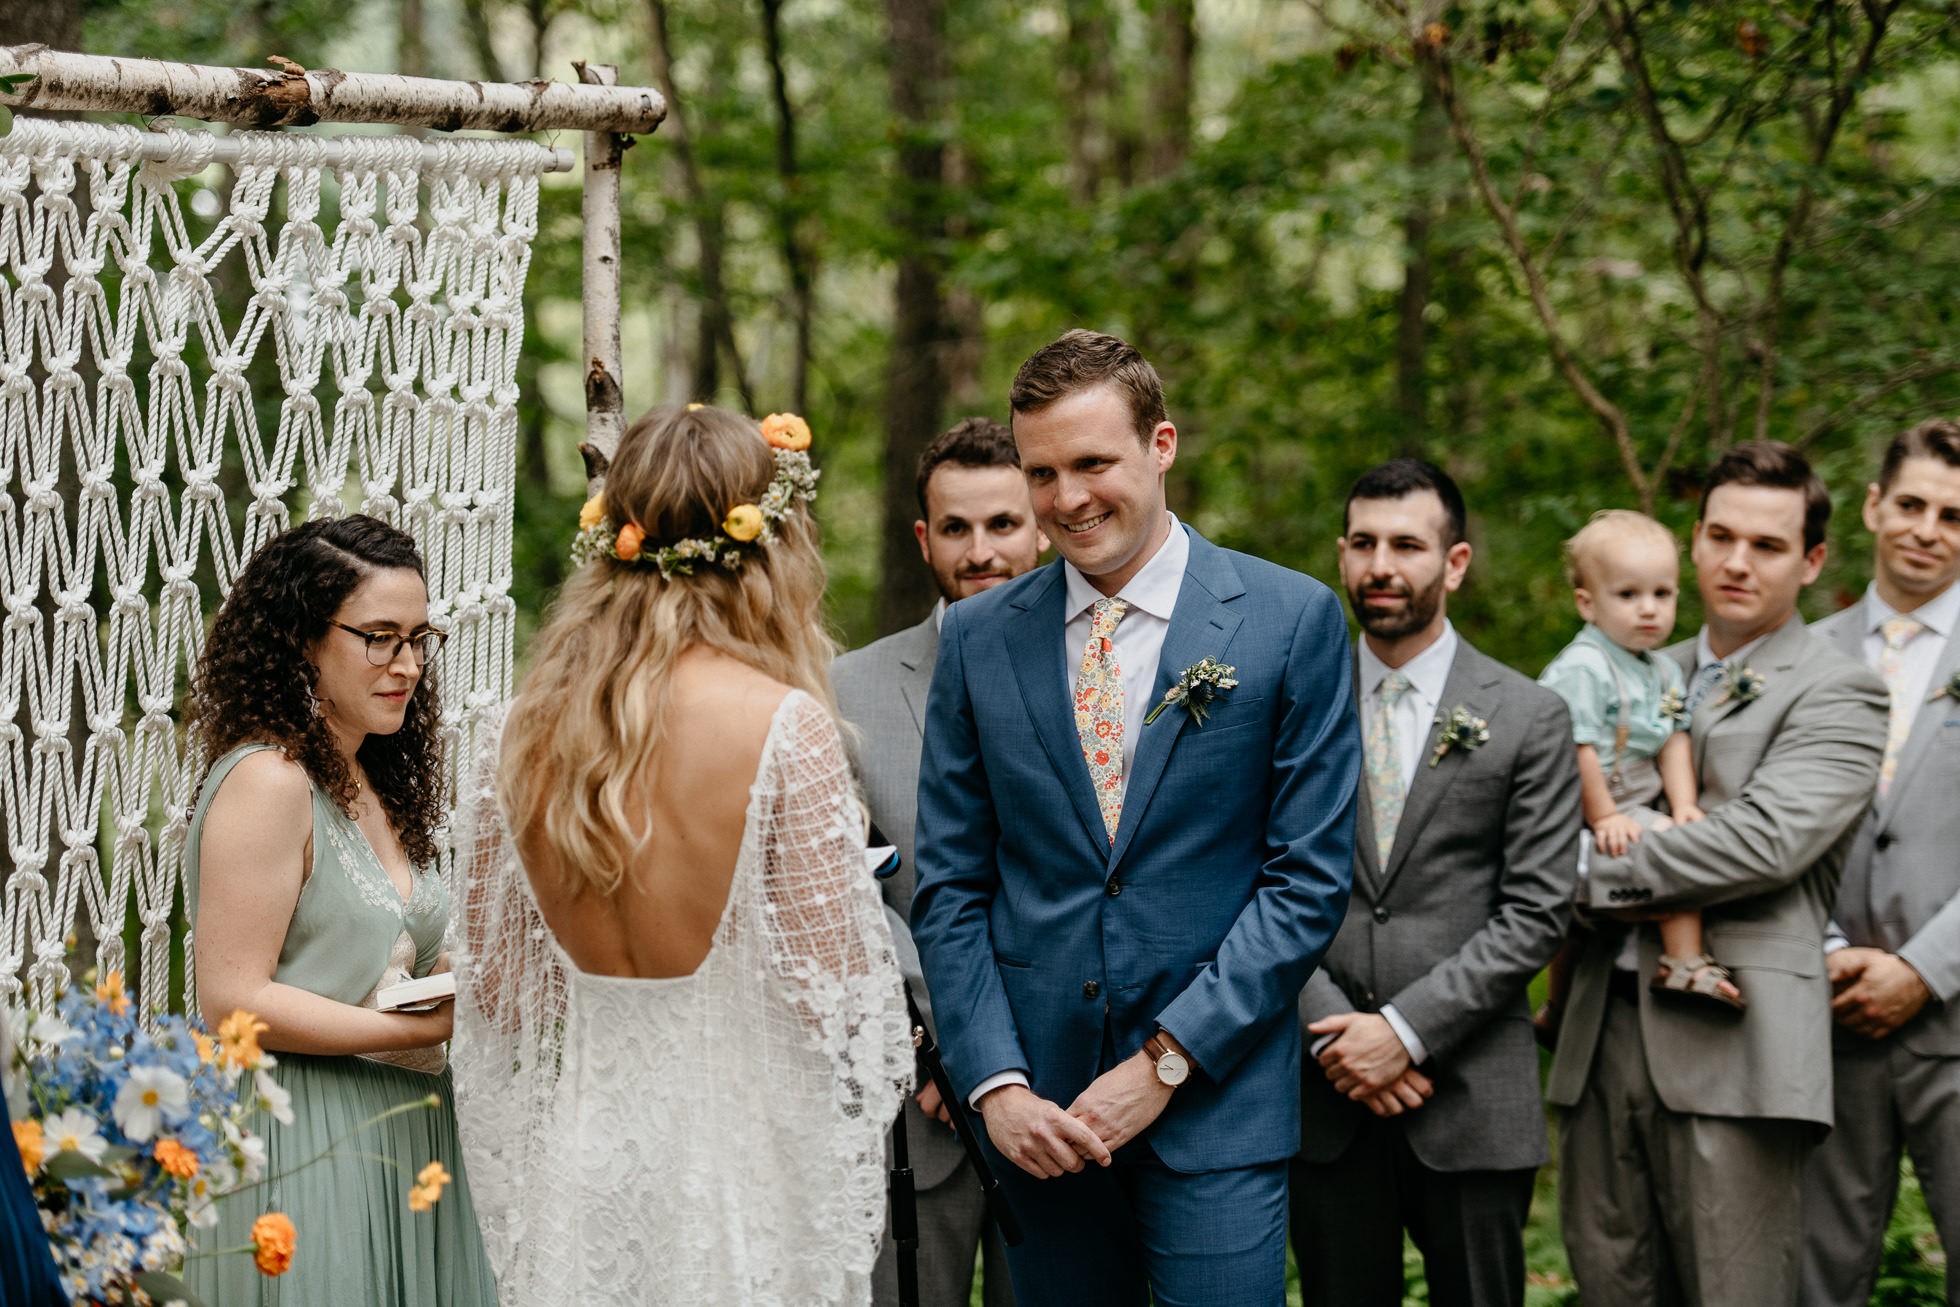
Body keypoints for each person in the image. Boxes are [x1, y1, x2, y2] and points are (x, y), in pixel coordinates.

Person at [910, 329, 1361, 1306]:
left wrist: (1164, 1060)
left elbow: (1307, 881)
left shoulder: (1291, 620)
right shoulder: (980, 638)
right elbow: (949, 885)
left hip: (1217, 1103)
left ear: (1160, 445)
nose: (1067, 497)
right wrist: (996, 1085)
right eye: (1043, 472)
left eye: (1091, 462)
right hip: (1040, 1114)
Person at [449, 405, 911, 1307]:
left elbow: (498, 988)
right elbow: (840, 1001)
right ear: (771, 542)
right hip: (733, 1174)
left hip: (587, 1173)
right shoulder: (784, 728)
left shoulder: (517, 733)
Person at [1546, 441, 1888, 1307]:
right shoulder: (1626, 660)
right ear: (1692, 539)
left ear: (1812, 561)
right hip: (1599, 1030)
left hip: (1741, 1049)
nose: (1737, 561)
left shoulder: (1842, 690)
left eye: (1768, 545)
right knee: (1609, 1288)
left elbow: (1762, 842)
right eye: (1721, 535)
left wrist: (1580, 869)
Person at [183, 515, 498, 1307]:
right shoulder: (269, 780)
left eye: (421, 638)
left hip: (409, 1133)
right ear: (302, 640)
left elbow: (382, 962)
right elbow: (232, 1000)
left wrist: (480, 970)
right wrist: (419, 1028)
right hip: (306, 1137)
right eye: (381, 637)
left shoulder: (372, 781)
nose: (409, 665)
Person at [1291, 459, 1582, 1307]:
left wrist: (1406, 1031)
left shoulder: (1529, 714)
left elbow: (1536, 910)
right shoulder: (1293, 704)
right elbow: (1250, 880)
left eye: (1407, 544)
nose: (1382, 565)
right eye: (1364, 543)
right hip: (1326, 1094)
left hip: (1471, 1096)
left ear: (1453, 563)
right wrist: (1333, 1033)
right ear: (1342, 554)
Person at [833, 415, 1044, 1307]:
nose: (981, 549)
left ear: (1040, 522)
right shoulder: (848, 687)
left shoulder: (1103, 674)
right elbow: (842, 883)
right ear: (924, 538)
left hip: (1066, 1084)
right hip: (916, 1097)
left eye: (1002, 524)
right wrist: (946, 1045)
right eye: (956, 528)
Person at [1801, 419, 1960, 1307]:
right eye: (1910, 504)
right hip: (1828, 1019)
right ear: (1872, 506)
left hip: (1957, 1016)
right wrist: (1822, 948)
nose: (1926, 529)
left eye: (1952, 514)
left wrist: (1921, 969)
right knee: (1819, 1278)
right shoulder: (1806, 654)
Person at [1536, 510, 1728, 1034]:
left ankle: (1557, 1011)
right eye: (1628, 595)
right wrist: (1603, 817)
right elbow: (1577, 749)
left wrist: (1685, 803)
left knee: (1582, 927)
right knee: (1674, 851)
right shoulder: (1585, 665)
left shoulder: (1663, 668)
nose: (1649, 610)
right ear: (1587, 603)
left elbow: (1672, 740)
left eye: (1662, 594)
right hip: (1579, 798)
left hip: (1630, 799)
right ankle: (1684, 963)